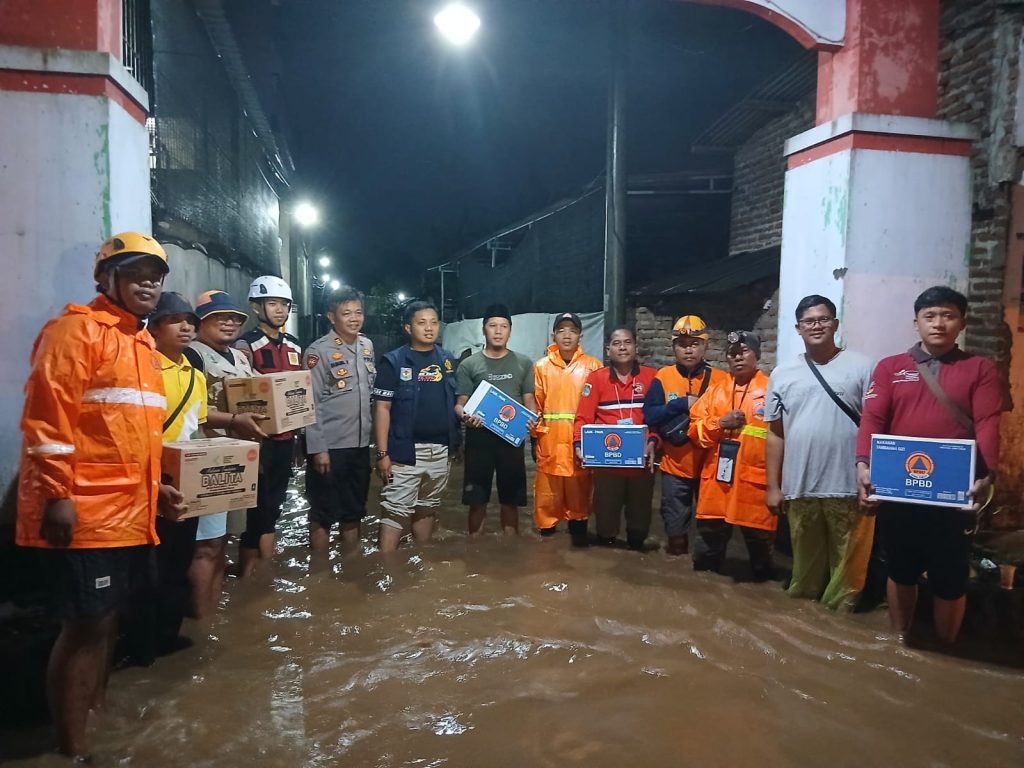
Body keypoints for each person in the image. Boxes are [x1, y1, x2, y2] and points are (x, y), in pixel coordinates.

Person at [17, 232, 169, 760]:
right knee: (84, 627)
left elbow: (131, 436)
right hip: (85, 513)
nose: (149, 282)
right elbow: (47, 419)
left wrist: (160, 486)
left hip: (130, 512)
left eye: (156, 274)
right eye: (135, 272)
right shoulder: (76, 332)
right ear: (106, 278)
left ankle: (96, 717)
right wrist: (58, 495)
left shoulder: (141, 345)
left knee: (107, 620)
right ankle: (73, 749)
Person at [856, 286, 1005, 644]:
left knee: (950, 577)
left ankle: (945, 648)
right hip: (900, 492)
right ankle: (899, 639)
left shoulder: (979, 369)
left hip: (953, 493)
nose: (939, 323)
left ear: (961, 322)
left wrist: (986, 475)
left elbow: (988, 423)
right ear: (916, 322)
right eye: (930, 316)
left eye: (948, 315)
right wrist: (863, 463)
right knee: (901, 569)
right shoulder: (891, 368)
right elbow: (873, 419)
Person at [765, 295, 875, 611]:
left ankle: (840, 627)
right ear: (798, 328)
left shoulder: (863, 367)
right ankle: (805, 623)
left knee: (849, 572)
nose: (817, 325)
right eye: (809, 321)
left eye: (824, 319)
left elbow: (876, 426)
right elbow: (775, 434)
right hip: (800, 487)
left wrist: (872, 477)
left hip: (849, 486)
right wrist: (773, 486)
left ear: (835, 324)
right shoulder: (782, 374)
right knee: (805, 570)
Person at [123, 292, 207, 665]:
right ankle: (140, 648)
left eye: (190, 320)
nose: (186, 326)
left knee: (178, 562)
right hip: (148, 482)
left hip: (185, 480)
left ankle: (166, 638)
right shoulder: (142, 367)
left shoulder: (195, 372)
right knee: (147, 569)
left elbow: (197, 430)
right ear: (155, 326)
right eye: (176, 319)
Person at [186, 291, 266, 617]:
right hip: (207, 460)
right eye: (221, 317)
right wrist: (234, 420)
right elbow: (192, 411)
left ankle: (214, 614)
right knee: (206, 545)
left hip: (236, 459)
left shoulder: (240, 358)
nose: (230, 323)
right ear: (201, 322)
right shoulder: (192, 355)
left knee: (224, 541)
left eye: (235, 318)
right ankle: (200, 620)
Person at [372, 301, 460, 552]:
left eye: (434, 322)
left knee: (427, 508)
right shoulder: (394, 362)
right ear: (408, 328)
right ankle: (385, 567)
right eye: (422, 323)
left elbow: (454, 402)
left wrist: (456, 443)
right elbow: (382, 409)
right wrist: (382, 454)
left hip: (440, 452)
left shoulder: (448, 360)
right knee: (395, 511)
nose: (429, 328)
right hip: (404, 452)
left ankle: (420, 562)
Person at [688, 331, 776, 581]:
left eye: (744, 351)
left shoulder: (772, 390)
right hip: (717, 483)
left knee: (762, 564)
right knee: (706, 561)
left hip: (755, 485)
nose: (737, 357)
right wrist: (720, 423)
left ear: (757, 355)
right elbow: (694, 431)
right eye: (732, 353)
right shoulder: (716, 392)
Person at [234, 276, 304, 576]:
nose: (279, 310)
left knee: (274, 504)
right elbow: (238, 394)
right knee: (255, 508)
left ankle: (265, 572)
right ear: (256, 306)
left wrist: (299, 438)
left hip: (286, 438)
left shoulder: (295, 346)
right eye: (273, 303)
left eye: (284, 305)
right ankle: (248, 574)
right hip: (258, 440)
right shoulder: (245, 345)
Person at [643, 315, 729, 555]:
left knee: (712, 528)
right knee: (675, 530)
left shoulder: (722, 379)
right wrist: (681, 404)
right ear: (674, 348)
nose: (688, 350)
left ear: (705, 346)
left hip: (710, 467)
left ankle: (706, 573)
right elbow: (650, 415)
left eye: (694, 344)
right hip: (675, 467)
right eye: (682, 345)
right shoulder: (663, 376)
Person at [454, 304, 536, 536]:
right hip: (478, 439)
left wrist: (533, 420)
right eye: (493, 326)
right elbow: (461, 403)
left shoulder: (523, 363)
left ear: (510, 330)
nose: (498, 331)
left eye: (503, 326)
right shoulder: (469, 364)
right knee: (476, 500)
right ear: (484, 329)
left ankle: (508, 553)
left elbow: (529, 399)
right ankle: (475, 551)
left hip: (511, 440)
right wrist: (465, 416)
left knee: (510, 500)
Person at [303, 286, 375, 551]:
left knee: (354, 511)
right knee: (323, 513)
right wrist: (318, 448)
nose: (354, 318)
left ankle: (350, 565)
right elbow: (309, 403)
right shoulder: (317, 352)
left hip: (359, 445)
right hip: (330, 447)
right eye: (347, 313)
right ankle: (320, 570)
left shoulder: (366, 346)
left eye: (358, 312)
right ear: (332, 317)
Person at [574, 327, 658, 550]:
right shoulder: (597, 379)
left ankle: (635, 557)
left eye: (627, 342)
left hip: (641, 462)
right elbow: (583, 417)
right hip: (607, 464)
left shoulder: (652, 377)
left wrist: (653, 441)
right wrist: (579, 445)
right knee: (605, 522)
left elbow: (659, 418)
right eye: (617, 343)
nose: (622, 347)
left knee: (640, 522)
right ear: (608, 349)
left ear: (636, 348)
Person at [532, 312, 602, 546]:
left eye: (572, 330)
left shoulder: (593, 366)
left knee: (580, 502)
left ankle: (578, 544)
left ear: (580, 335)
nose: (566, 335)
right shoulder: (541, 367)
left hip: (580, 446)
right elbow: (536, 406)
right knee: (546, 502)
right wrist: (535, 439)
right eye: (561, 330)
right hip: (549, 445)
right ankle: (546, 551)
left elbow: (600, 407)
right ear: (554, 335)